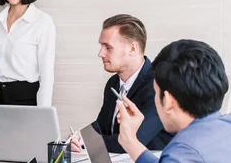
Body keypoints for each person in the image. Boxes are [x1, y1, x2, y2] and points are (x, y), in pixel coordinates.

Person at [71, 14, 172, 153]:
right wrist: (78, 138)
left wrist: (88, 142)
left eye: (108, 47)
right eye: (101, 46)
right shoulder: (113, 83)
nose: (101, 53)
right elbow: (103, 126)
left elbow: (132, 140)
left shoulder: (158, 85)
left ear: (132, 49)